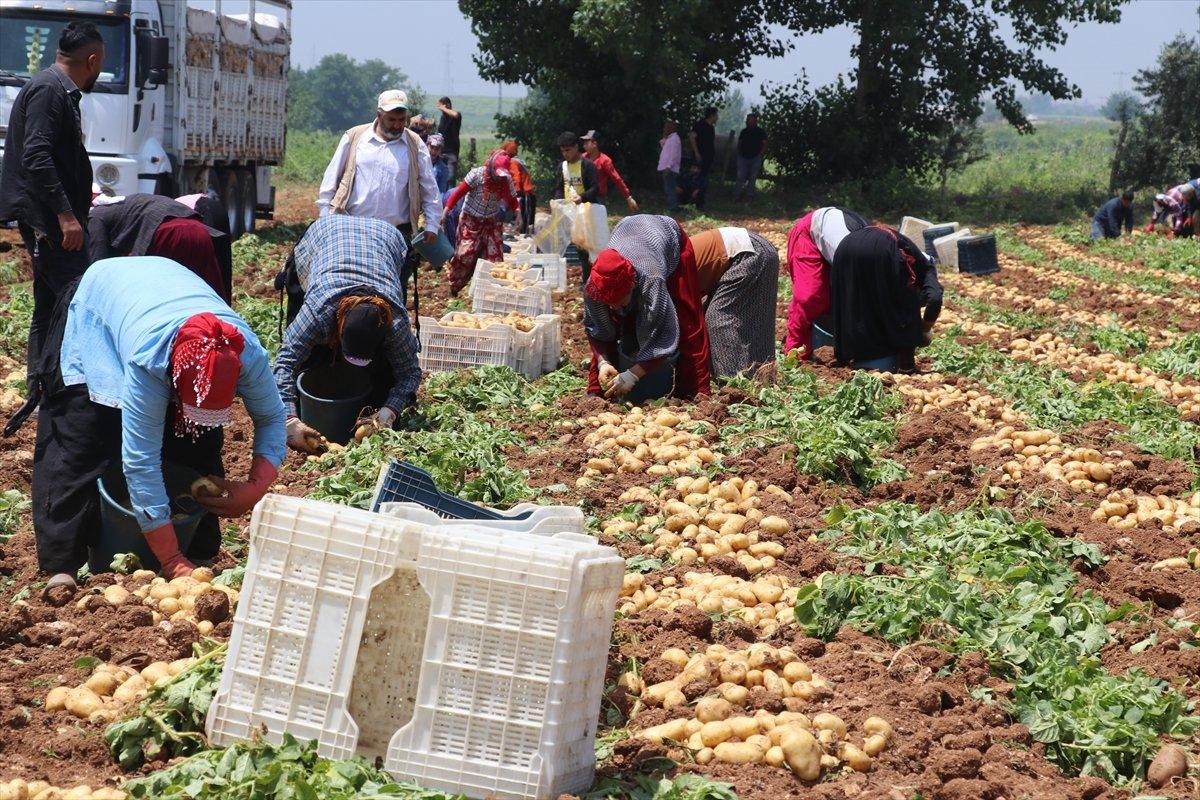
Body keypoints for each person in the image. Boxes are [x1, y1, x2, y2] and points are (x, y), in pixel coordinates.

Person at [31, 256, 285, 597]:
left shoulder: (246, 354)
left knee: (197, 438)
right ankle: (63, 564)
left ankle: (200, 547)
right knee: (83, 435)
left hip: (161, 290)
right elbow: (140, 461)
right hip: (101, 303)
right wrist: (173, 561)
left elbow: (271, 417)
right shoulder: (148, 362)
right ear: (174, 379)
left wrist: (255, 487)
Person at [0, 22, 103, 397]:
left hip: (53, 218)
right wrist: (65, 215)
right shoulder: (49, 91)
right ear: (92, 61)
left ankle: (40, 390)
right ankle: (65, 391)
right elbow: (37, 156)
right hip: (50, 222)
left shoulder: (56, 89)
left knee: (49, 303)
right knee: (76, 302)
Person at [275, 216, 421, 453]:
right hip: (325, 236)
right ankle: (303, 412)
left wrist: (389, 411)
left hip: (386, 238)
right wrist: (289, 419)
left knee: (386, 373)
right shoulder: (318, 312)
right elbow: (284, 363)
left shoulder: (395, 323)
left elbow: (409, 372)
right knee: (308, 356)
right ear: (338, 328)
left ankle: (375, 409)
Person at [315, 89, 442, 301]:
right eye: (391, 119)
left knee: (390, 297)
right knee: (346, 295)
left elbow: (429, 187)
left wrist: (432, 224)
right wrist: (325, 218)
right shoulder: (355, 137)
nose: (397, 125)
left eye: (402, 120)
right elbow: (331, 180)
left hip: (395, 234)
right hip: (352, 232)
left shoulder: (415, 144)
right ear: (379, 114)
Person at [583, 215, 712, 401]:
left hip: (669, 239)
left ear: (633, 284)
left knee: (686, 320)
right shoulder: (593, 288)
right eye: (608, 302)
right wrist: (603, 363)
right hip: (629, 230)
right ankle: (598, 391)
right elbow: (598, 329)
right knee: (615, 320)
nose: (613, 306)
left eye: (619, 300)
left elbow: (664, 335)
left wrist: (633, 374)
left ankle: (695, 392)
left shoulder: (652, 279)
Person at [831, 225, 943, 371]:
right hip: (882, 246)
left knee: (854, 300)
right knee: (907, 302)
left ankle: (848, 356)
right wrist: (924, 329)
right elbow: (935, 298)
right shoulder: (926, 267)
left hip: (844, 246)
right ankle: (906, 365)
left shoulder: (908, 250)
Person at [86, 193, 229, 302]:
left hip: (168, 234)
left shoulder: (95, 216)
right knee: (209, 296)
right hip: (200, 232)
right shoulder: (126, 201)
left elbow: (99, 265)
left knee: (165, 299)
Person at [689, 227, 779, 377]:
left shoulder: (662, 286)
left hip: (748, 252)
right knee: (753, 320)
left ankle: (733, 382)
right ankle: (760, 377)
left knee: (718, 317)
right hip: (751, 249)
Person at [783, 207, 870, 359]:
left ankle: (845, 346)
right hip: (809, 233)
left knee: (837, 298)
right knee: (810, 296)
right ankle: (795, 353)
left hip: (843, 243)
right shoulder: (857, 262)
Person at [440, 151, 520, 295]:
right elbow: (458, 193)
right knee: (465, 255)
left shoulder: (505, 180)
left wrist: (518, 213)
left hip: (491, 221)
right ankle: (455, 286)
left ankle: (488, 293)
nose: (498, 177)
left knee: (494, 259)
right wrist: (446, 212)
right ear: (490, 167)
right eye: (496, 173)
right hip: (471, 219)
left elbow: (512, 199)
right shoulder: (477, 175)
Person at [175, 191, 234, 301]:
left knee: (207, 263)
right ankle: (224, 302)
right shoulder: (169, 206)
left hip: (202, 209)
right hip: (217, 208)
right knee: (222, 261)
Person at [581, 131, 638, 212]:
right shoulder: (582, 158)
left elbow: (617, 179)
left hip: (598, 198)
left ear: (595, 144)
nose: (584, 146)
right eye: (584, 143)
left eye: (587, 143)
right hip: (583, 196)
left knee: (597, 222)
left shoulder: (605, 160)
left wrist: (628, 197)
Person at [501, 141, 537, 234]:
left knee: (524, 224)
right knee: (527, 223)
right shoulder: (518, 160)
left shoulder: (512, 162)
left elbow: (516, 180)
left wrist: (511, 195)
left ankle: (525, 242)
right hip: (528, 195)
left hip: (525, 196)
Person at [688, 107, 718, 210]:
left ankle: (700, 203)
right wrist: (696, 153)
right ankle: (693, 202)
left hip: (708, 159)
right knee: (697, 180)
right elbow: (692, 137)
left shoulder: (711, 128)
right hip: (699, 157)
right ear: (711, 115)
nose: (717, 118)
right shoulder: (699, 125)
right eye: (716, 115)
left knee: (704, 181)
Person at [733, 113, 767, 201]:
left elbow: (764, 144)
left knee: (752, 177)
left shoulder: (761, 132)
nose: (748, 122)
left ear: (755, 121)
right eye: (747, 120)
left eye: (750, 120)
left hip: (755, 157)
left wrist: (760, 155)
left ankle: (749, 196)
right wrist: (739, 153)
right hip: (743, 157)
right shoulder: (744, 131)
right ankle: (737, 196)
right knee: (740, 177)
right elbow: (740, 143)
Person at [658, 121, 682, 215]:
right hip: (667, 167)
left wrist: (669, 166)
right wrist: (664, 137)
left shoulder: (675, 139)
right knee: (668, 188)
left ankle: (672, 209)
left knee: (670, 189)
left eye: (666, 128)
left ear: (672, 129)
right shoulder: (670, 139)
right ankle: (671, 207)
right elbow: (663, 145)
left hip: (670, 168)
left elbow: (674, 155)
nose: (664, 129)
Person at [436, 96, 462, 180]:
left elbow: (455, 115)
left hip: (451, 152)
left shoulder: (455, 116)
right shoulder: (443, 118)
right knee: (440, 177)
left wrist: (444, 108)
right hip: (441, 152)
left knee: (450, 178)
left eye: (440, 106)